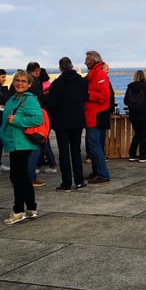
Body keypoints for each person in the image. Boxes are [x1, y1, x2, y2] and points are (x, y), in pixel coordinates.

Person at [0, 70, 44, 225]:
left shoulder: (29, 99)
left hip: (22, 143)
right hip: (13, 142)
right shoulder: (12, 99)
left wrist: (18, 120)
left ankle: (18, 211)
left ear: (29, 84)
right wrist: (1, 133)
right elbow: (5, 120)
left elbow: (37, 119)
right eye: (17, 80)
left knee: (17, 177)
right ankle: (31, 208)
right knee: (22, 176)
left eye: (23, 81)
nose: (19, 83)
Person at [46, 56, 88, 191]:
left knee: (64, 153)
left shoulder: (57, 83)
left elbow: (52, 104)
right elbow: (85, 98)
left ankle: (66, 183)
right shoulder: (82, 82)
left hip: (61, 122)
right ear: (72, 66)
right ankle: (79, 181)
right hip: (77, 121)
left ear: (60, 68)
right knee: (76, 151)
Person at [84, 50, 111, 183]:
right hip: (94, 114)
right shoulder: (95, 74)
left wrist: (88, 94)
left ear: (92, 61)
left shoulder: (99, 74)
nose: (85, 62)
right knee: (95, 145)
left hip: (95, 115)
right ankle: (97, 171)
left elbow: (105, 95)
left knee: (94, 145)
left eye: (87, 60)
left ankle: (102, 173)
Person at [125, 70, 146, 162]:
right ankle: (142, 156)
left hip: (133, 115)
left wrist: (132, 105)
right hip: (145, 114)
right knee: (143, 135)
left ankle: (132, 155)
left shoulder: (130, 87)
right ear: (144, 77)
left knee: (137, 134)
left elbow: (125, 101)